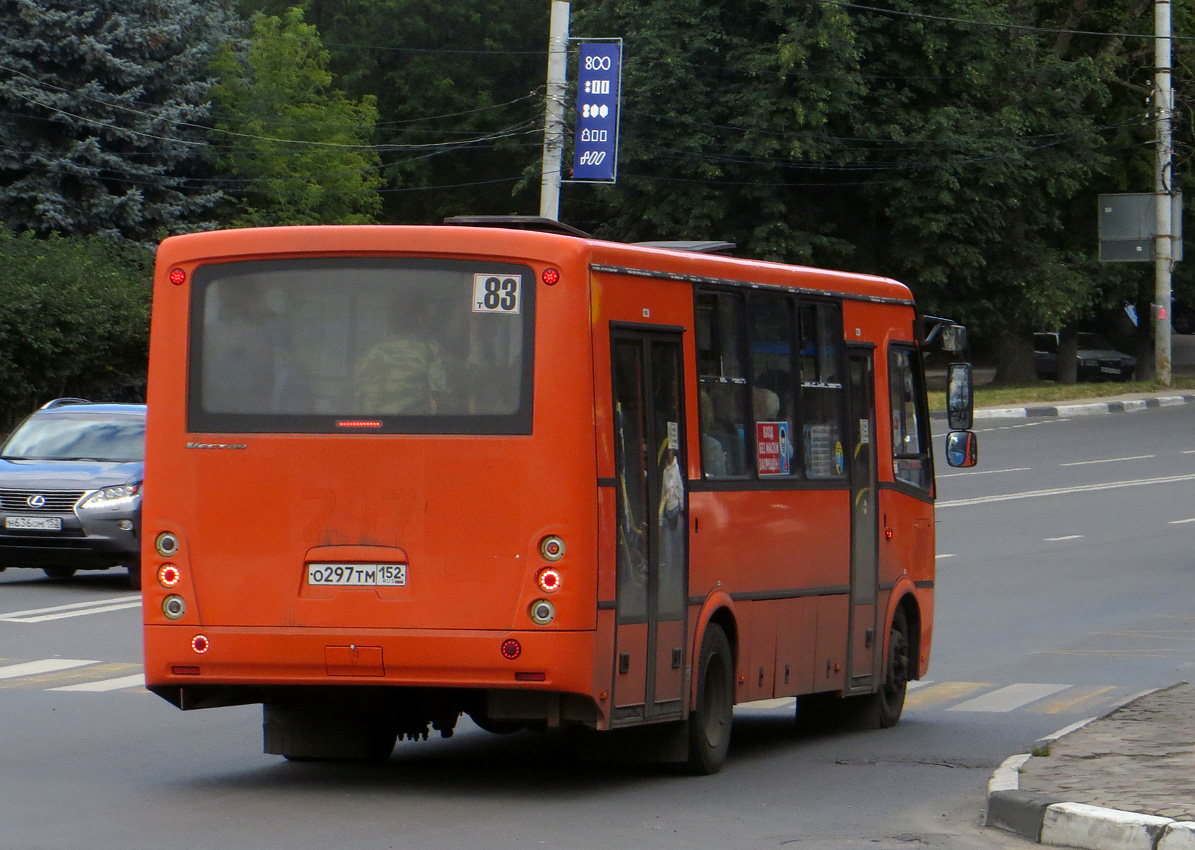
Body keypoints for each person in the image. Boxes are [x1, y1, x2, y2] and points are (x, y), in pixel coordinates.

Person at [353, 304, 448, 415]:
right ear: (418, 323)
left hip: (373, 422)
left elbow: (358, 384)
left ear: (391, 324)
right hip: (412, 422)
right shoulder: (429, 350)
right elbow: (440, 390)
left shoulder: (373, 350)